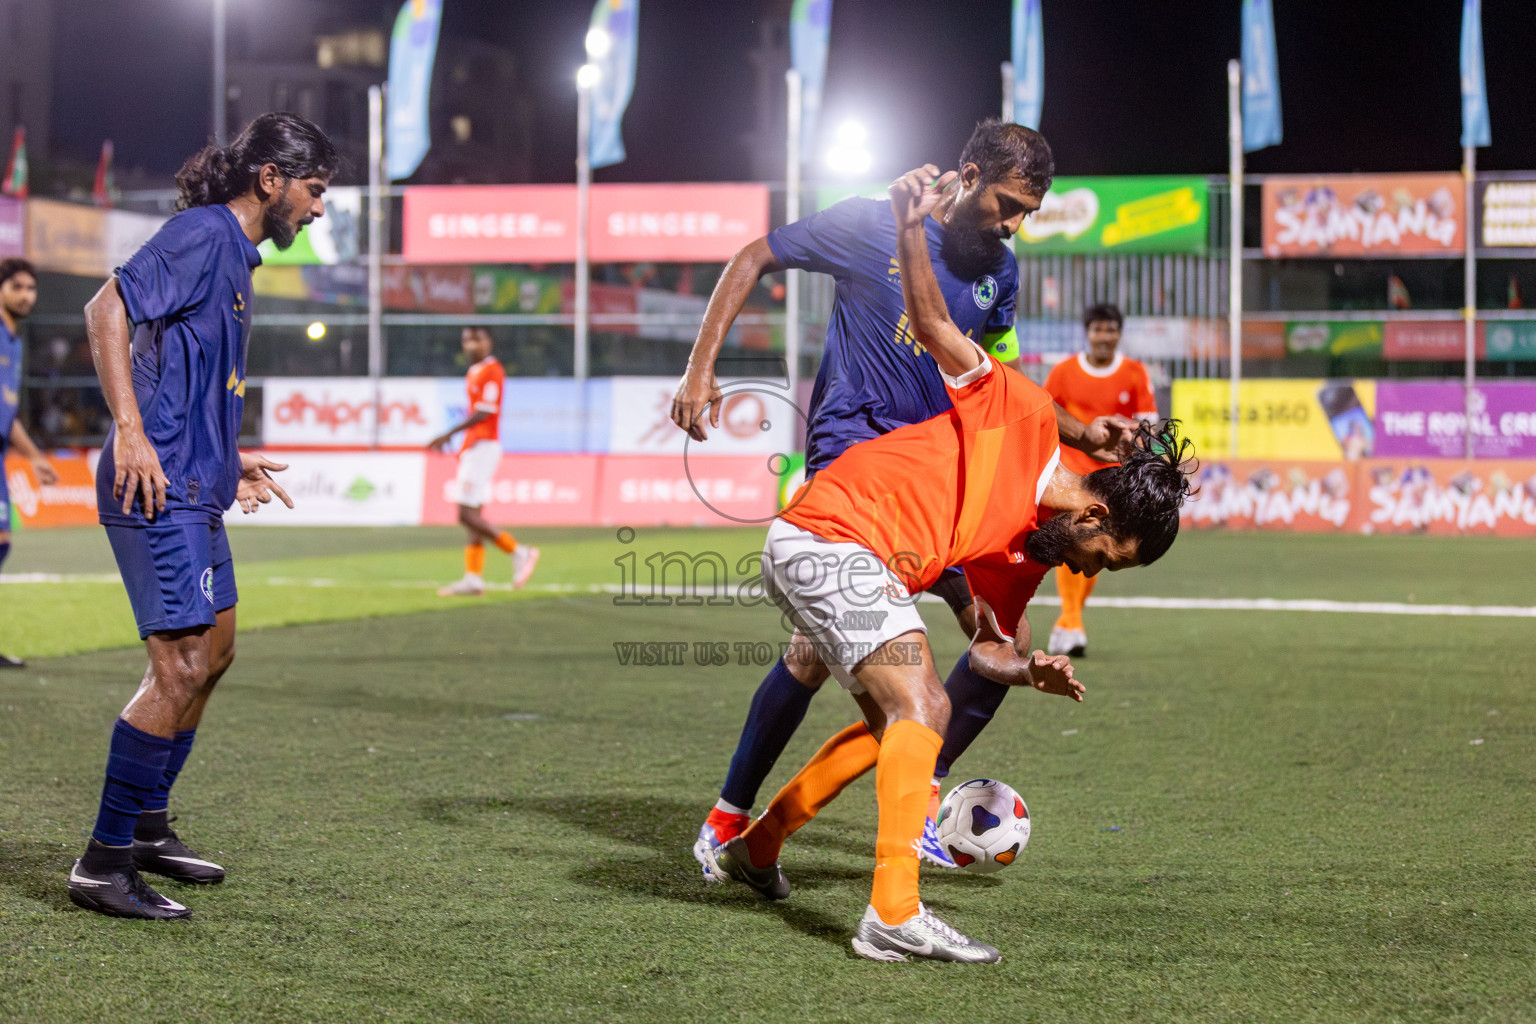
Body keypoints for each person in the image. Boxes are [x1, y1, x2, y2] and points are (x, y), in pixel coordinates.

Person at [702, 164, 1194, 963]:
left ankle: (756, 847)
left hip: (852, 558)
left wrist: (1025, 665)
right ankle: (891, 912)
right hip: (830, 537)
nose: (1096, 573)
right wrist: (904, 226)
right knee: (921, 708)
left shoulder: (1026, 554)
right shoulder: (1024, 415)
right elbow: (934, 330)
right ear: (1096, 514)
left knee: (891, 727)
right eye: (1110, 558)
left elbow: (991, 643)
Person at [66, 113, 336, 920]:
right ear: (271, 179)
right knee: (178, 666)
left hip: (194, 480)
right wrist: (132, 432)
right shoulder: (204, 235)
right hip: (155, 485)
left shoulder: (235, 256)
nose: (318, 210)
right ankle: (101, 862)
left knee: (213, 653)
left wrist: (229, 458)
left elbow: (188, 375)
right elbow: (103, 311)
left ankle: (147, 827)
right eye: (315, 191)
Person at [1043, 303, 1158, 657]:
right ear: (1087, 333)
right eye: (1098, 329)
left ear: (1119, 334)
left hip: (1111, 477)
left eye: (1110, 329)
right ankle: (1072, 622)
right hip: (1068, 476)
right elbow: (1046, 415)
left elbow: (1148, 423)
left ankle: (1068, 622)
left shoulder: (1135, 372)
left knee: (1096, 551)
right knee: (1074, 540)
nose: (1104, 336)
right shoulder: (1063, 372)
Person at [429, 326, 538, 596]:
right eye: (466, 340)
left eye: (477, 339)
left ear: (488, 342)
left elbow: (484, 411)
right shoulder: (474, 372)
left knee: (464, 513)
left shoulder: (492, 371)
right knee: (472, 517)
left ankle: (518, 551)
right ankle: (473, 578)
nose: (471, 345)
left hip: (483, 447)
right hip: (473, 448)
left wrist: (447, 434)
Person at [0, 257, 60, 668]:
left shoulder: (15, 340)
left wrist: (35, 457)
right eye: (17, 286)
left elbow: (8, 412)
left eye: (31, 288)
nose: (26, 295)